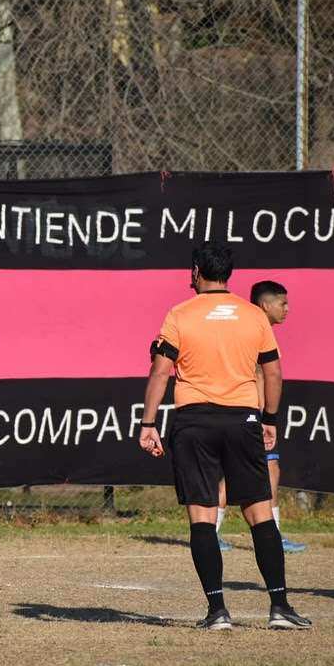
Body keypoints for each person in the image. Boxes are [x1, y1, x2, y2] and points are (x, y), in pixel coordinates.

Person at [138, 244, 310, 630]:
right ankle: (280, 607)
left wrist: (148, 424)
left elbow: (160, 372)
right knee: (259, 512)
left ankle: (217, 611)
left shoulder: (180, 314)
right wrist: (269, 419)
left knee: (202, 515)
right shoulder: (253, 315)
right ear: (228, 273)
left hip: (194, 422)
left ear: (197, 271)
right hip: (243, 421)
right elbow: (274, 373)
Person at [216, 281, 307, 554]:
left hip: (247, 416)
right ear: (265, 305)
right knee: (266, 473)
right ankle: (269, 536)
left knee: (257, 474)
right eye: (283, 303)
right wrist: (267, 417)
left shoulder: (247, 328)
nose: (287, 309)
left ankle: (215, 532)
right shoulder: (257, 331)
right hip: (253, 418)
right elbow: (268, 376)